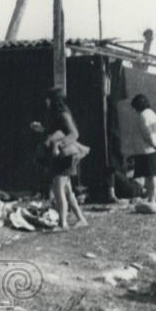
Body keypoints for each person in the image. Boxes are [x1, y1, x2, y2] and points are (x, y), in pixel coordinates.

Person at [30, 88, 88, 230]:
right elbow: (57, 132)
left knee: (58, 188)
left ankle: (63, 223)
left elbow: (74, 134)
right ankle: (81, 219)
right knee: (67, 190)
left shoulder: (63, 114)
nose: (46, 101)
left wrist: (59, 144)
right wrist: (42, 129)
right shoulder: (56, 115)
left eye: (48, 98)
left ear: (54, 100)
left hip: (65, 155)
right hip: (60, 156)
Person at [130, 94, 156, 202]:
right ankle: (155, 197)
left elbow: (147, 134)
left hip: (145, 150)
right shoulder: (153, 114)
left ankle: (150, 199)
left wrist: (154, 145)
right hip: (155, 149)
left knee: (149, 176)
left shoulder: (142, 116)